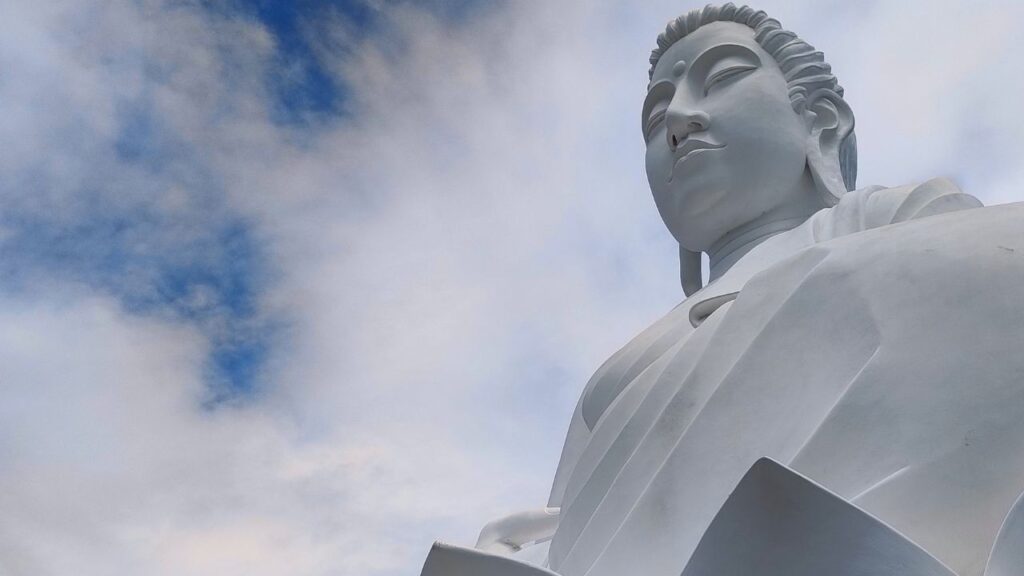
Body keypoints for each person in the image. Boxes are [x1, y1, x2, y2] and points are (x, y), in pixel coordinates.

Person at [421, 4, 1024, 576]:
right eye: (656, 120)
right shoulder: (613, 380)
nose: (679, 121)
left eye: (724, 77)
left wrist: (818, 288)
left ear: (818, 119)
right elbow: (568, 535)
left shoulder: (904, 217)